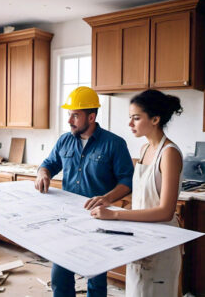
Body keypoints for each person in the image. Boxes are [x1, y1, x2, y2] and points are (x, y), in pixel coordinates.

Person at [35, 86, 134, 297]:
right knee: (60, 276)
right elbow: (48, 164)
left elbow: (127, 180)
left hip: (98, 219)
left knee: (96, 279)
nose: (70, 120)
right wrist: (42, 174)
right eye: (69, 115)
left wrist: (106, 199)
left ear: (91, 117)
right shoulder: (64, 140)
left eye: (75, 115)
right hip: (66, 218)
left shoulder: (114, 144)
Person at [85, 89, 183, 297]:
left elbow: (165, 211)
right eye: (130, 118)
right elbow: (142, 201)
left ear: (155, 119)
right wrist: (110, 206)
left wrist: (115, 214)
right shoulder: (144, 150)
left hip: (162, 243)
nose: (130, 124)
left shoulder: (170, 154)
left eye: (136, 118)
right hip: (139, 240)